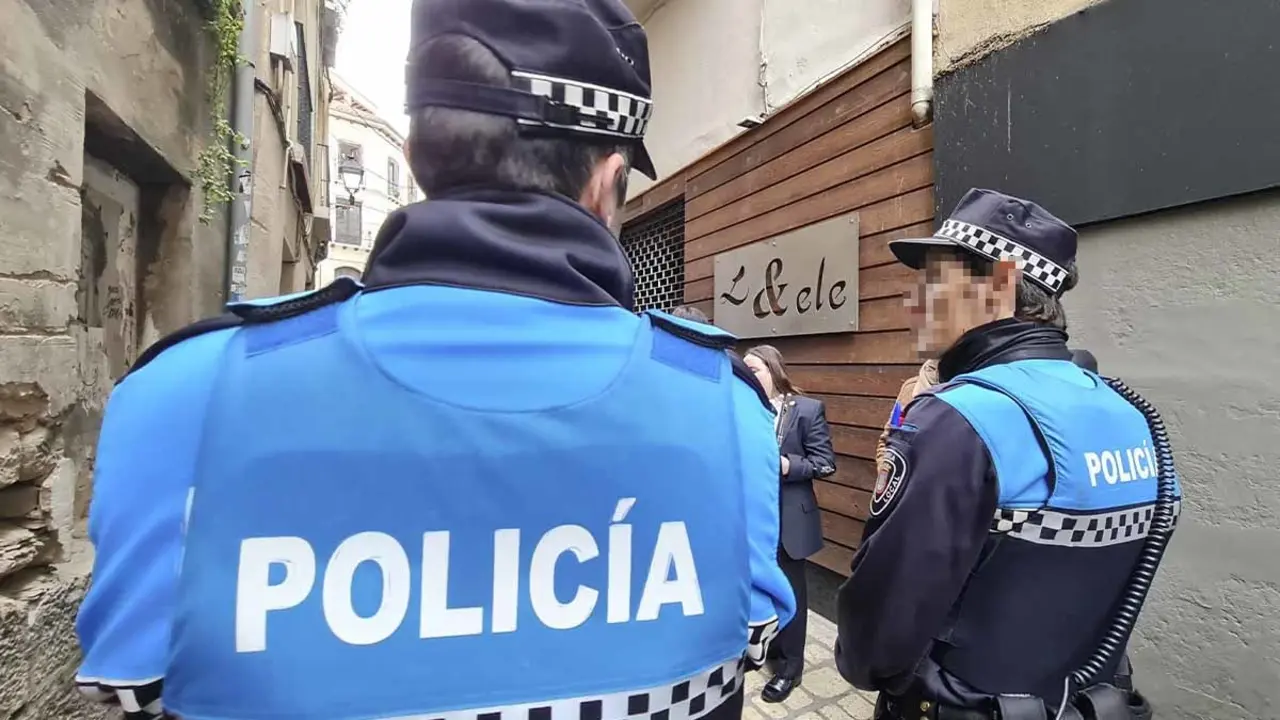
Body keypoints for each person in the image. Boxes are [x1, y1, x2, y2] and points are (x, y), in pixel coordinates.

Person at [72, 1, 796, 718]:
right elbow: (743, 644)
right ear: (608, 182)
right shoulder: (725, 409)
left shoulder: (184, 399)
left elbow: (136, 685)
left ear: (420, 159)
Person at [835, 189, 1181, 719]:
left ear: (998, 286)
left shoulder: (958, 418)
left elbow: (881, 629)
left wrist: (866, 666)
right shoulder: (1130, 415)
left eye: (931, 283)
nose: (912, 302)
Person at [742, 346, 836, 703]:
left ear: (774, 369)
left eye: (756, 369)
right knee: (755, 586)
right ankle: (757, 648)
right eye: (745, 370)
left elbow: (826, 463)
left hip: (790, 519)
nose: (750, 377)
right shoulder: (743, 411)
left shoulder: (807, 409)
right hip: (751, 517)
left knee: (792, 592)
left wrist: (787, 466)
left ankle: (790, 667)